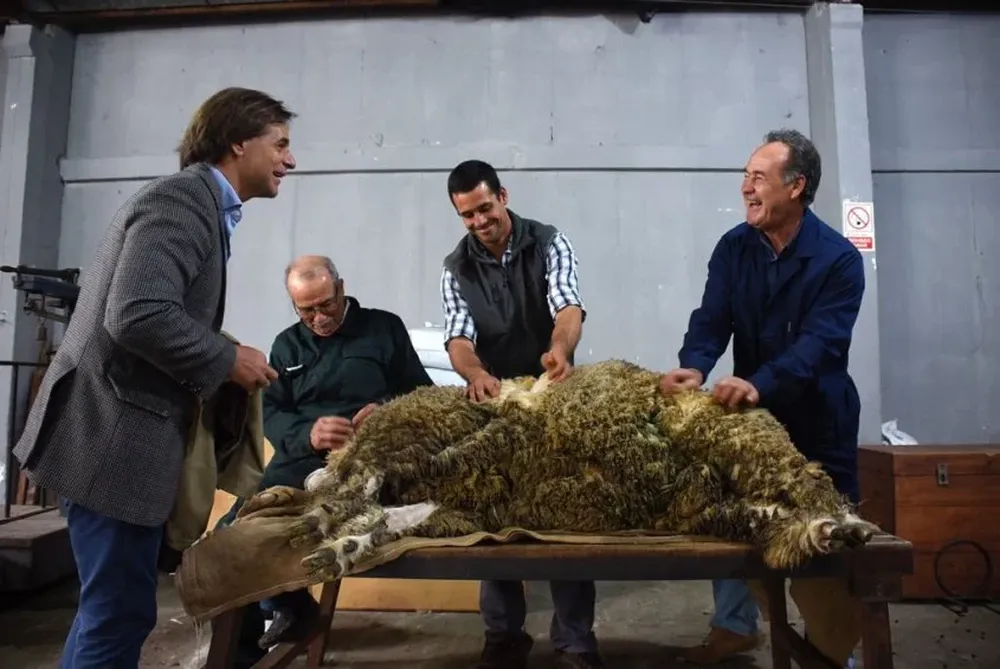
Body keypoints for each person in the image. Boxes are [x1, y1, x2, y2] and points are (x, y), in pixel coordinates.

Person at [11, 87, 296, 669]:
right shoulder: (181, 203)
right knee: (118, 614)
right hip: (109, 442)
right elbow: (137, 313)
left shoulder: (199, 207)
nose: (290, 160)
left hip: (117, 440)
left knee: (112, 611)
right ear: (238, 142)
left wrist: (222, 350)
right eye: (280, 144)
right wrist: (226, 360)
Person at [659, 128, 865, 665]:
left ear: (796, 187)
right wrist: (695, 366)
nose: (746, 187)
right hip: (754, 413)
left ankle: (830, 651)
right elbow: (711, 319)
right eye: (745, 176)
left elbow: (820, 344)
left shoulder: (839, 260)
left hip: (820, 417)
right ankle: (734, 627)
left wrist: (760, 382)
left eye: (758, 177)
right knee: (734, 517)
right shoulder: (734, 247)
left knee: (826, 539)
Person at [218, 254, 435, 666]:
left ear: (341, 287)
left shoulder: (383, 327)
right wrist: (308, 434)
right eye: (307, 310)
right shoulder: (286, 344)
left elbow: (422, 393)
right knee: (234, 533)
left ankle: (290, 608)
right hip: (300, 462)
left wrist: (387, 411)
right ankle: (246, 649)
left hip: (373, 459)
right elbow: (274, 412)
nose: (319, 318)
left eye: (326, 305)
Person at [439, 159, 600, 669]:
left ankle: (575, 641)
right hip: (496, 397)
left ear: (503, 196)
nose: (479, 222)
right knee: (496, 509)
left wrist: (560, 353)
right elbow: (459, 335)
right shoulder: (455, 266)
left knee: (564, 512)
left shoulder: (549, 241)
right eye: (467, 215)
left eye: (485, 208)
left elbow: (567, 305)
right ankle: (504, 637)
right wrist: (474, 375)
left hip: (552, 386)